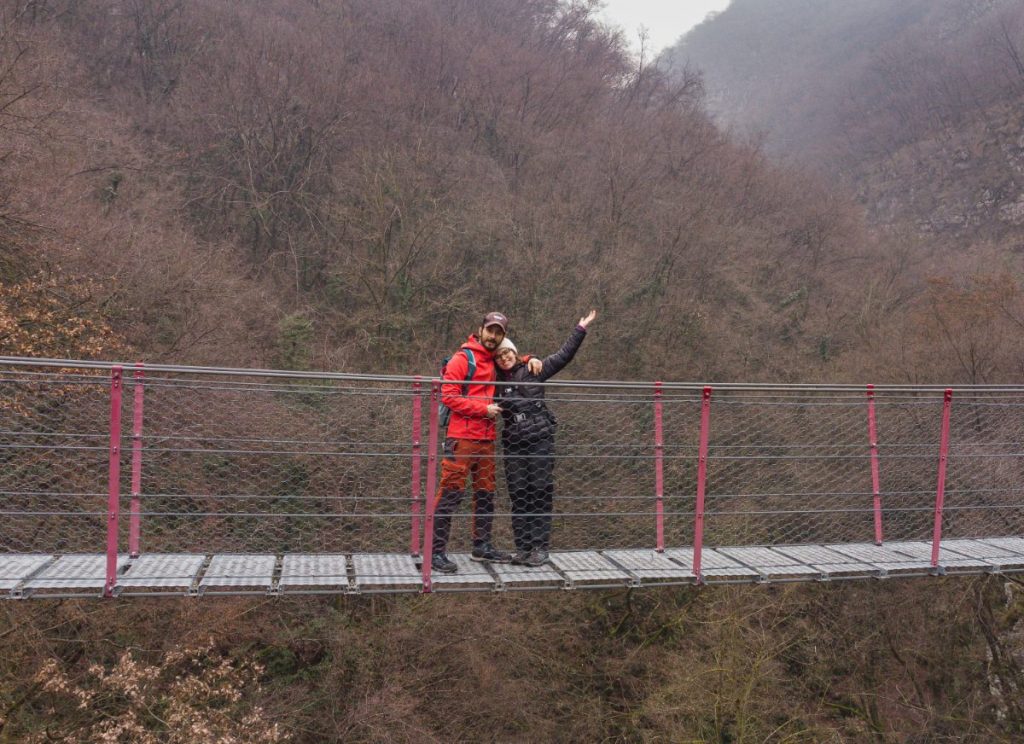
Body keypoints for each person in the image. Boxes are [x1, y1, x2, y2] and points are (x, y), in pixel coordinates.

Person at [430, 311, 540, 575]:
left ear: (503, 336)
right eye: (490, 330)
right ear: (480, 330)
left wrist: (530, 359)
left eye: (498, 332)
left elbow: (510, 361)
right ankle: (434, 552)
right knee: (451, 494)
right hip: (462, 438)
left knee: (486, 495)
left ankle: (482, 546)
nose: (493, 336)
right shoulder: (462, 358)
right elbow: (448, 396)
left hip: (487, 439)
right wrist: (483, 410)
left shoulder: (493, 358)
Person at [495, 310, 596, 566]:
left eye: (508, 353)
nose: (505, 357)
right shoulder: (493, 381)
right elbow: (467, 379)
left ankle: (540, 548)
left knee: (539, 491)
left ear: (515, 353)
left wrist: (580, 330)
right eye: (499, 355)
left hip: (540, 439)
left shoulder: (533, 369)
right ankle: (523, 548)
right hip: (514, 442)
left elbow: (563, 357)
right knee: (518, 494)